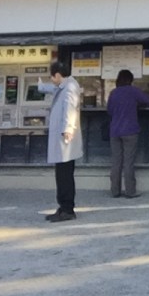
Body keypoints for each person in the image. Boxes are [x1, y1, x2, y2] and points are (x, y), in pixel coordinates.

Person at [38, 61, 83, 222]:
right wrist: (40, 86)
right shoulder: (65, 85)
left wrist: (68, 129)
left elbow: (69, 110)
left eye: (52, 76)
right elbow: (51, 89)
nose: (51, 79)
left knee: (64, 174)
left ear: (58, 75)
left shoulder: (69, 88)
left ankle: (67, 208)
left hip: (65, 139)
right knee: (62, 173)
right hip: (63, 138)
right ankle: (63, 206)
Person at [107, 69, 149, 198]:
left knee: (116, 162)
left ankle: (115, 191)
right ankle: (130, 191)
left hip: (115, 131)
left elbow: (109, 111)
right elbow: (147, 100)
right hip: (130, 131)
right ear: (130, 80)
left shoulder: (113, 93)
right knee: (128, 162)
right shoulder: (133, 91)